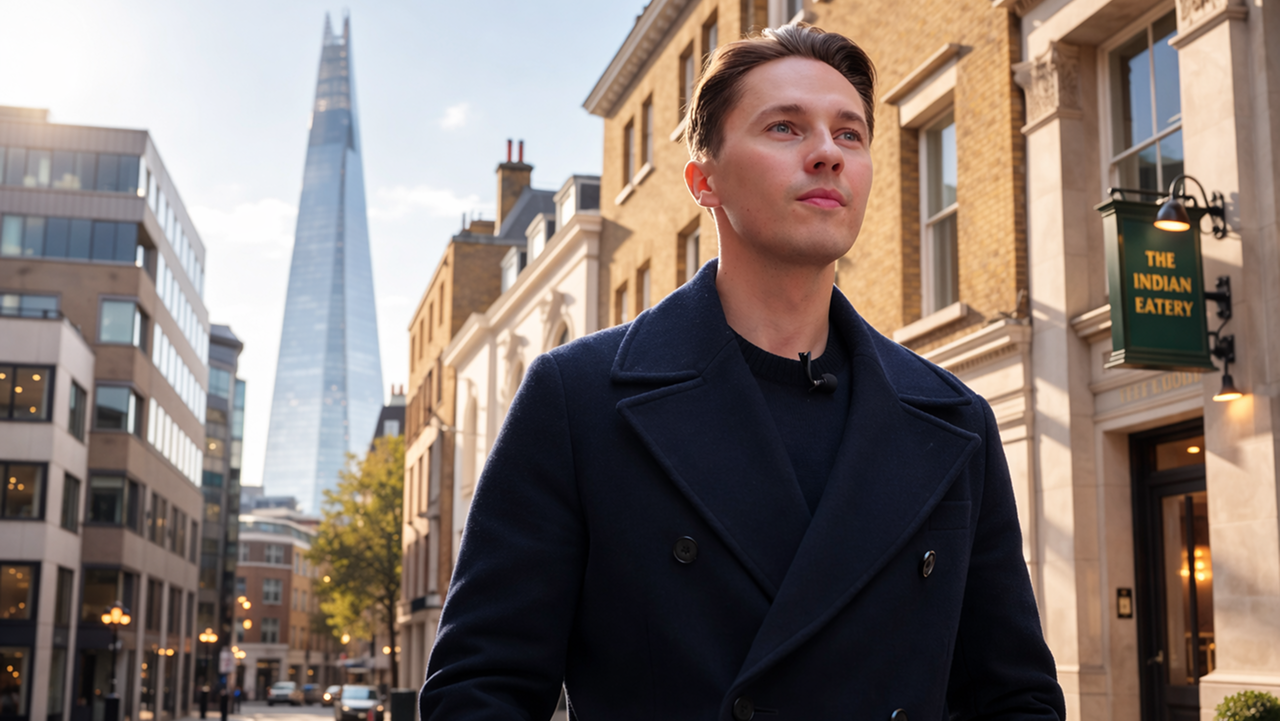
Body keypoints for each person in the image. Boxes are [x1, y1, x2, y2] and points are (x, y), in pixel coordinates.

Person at [419, 24, 1065, 721]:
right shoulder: (578, 400)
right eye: (785, 128)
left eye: (850, 135)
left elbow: (1012, 695)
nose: (826, 153)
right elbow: (479, 690)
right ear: (705, 180)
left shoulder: (953, 418)